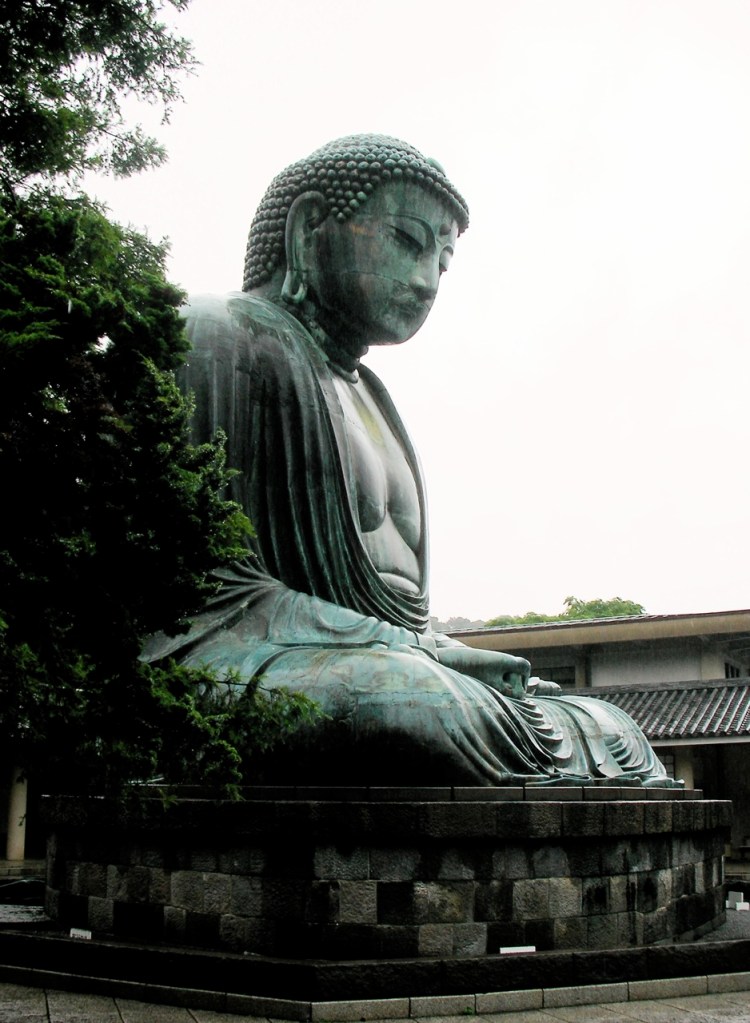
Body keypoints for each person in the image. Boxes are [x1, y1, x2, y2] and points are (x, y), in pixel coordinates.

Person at [144, 134, 673, 787]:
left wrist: (430, 653)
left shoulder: (373, 398)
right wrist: (413, 651)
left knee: (605, 723)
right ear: (311, 228)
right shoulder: (213, 334)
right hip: (231, 666)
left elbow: (402, 618)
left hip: (385, 663)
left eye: (443, 263)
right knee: (405, 705)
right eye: (407, 240)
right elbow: (197, 596)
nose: (426, 282)